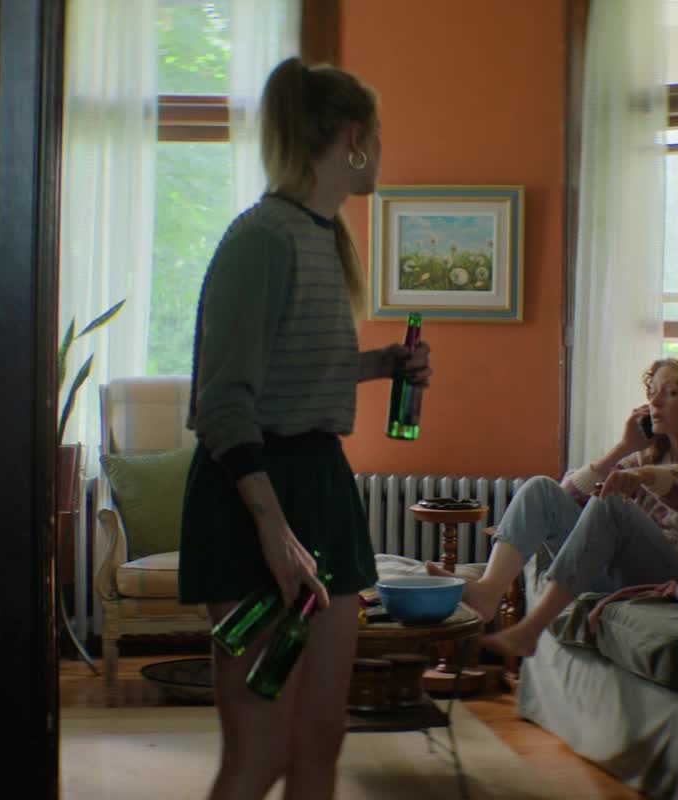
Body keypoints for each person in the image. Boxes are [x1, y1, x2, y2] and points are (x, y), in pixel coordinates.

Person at [178, 57, 430, 800]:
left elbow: (288, 369)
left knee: (320, 743)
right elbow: (223, 401)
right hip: (255, 494)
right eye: (377, 135)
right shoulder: (262, 238)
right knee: (260, 755)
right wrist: (274, 532)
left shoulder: (321, 237)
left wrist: (382, 364)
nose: (381, 150)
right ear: (352, 138)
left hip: (321, 485)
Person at [430, 356, 678, 659]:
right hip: (629, 573)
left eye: (671, 393)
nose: (655, 402)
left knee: (612, 507)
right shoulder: (645, 458)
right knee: (541, 489)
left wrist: (644, 477)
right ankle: (488, 592)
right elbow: (567, 496)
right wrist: (623, 448)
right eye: (653, 392)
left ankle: (531, 629)